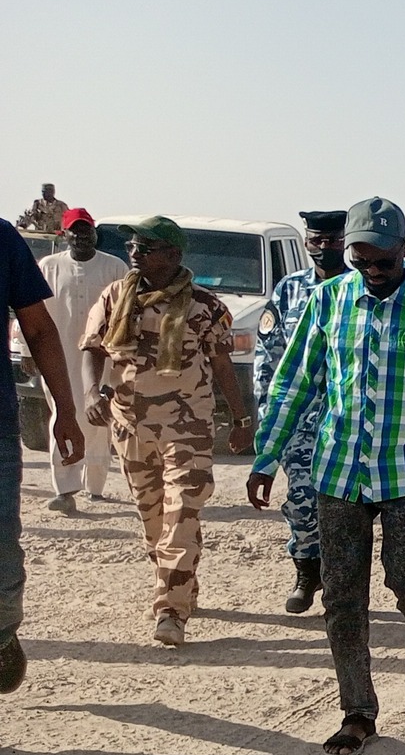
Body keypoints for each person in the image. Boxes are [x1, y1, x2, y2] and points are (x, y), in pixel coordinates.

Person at [248, 197, 405, 755]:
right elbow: (294, 383)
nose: (373, 272)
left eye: (383, 261)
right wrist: (267, 456)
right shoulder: (328, 302)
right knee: (342, 599)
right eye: (362, 262)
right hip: (337, 474)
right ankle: (358, 711)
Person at [80, 218, 252, 645]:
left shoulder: (204, 306)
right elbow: (94, 348)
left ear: (174, 256)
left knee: (181, 513)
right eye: (133, 245)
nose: (135, 252)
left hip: (187, 426)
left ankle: (170, 611)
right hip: (130, 424)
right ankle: (182, 585)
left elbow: (221, 365)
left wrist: (241, 419)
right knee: (153, 517)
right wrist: (90, 393)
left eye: (147, 247)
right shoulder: (116, 296)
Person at [1, 222, 85, 694]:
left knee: (1, 553)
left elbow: (37, 326)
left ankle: (1, 633)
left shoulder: (3, 240)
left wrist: (65, 411)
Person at [251, 210, 350, 613]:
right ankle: (306, 572)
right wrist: (268, 418)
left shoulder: (360, 287)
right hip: (301, 421)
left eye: (333, 240)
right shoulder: (289, 291)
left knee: (345, 508)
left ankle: (339, 584)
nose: (324, 249)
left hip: (348, 419)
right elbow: (268, 356)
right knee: (302, 500)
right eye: (316, 241)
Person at [34, 209, 124, 511]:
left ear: (95, 233)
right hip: (58, 356)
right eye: (76, 230)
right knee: (63, 415)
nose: (82, 236)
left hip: (104, 358)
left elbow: (127, 314)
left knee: (98, 420)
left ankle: (94, 485)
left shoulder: (114, 267)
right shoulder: (48, 267)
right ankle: (65, 488)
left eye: (87, 230)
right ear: (64, 235)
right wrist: (25, 352)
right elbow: (31, 311)